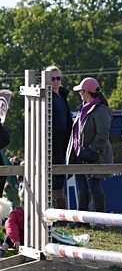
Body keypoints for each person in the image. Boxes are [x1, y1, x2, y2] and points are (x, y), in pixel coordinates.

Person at [66, 77, 114, 213]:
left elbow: (103, 134)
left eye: (80, 91)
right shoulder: (85, 109)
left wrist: (91, 151)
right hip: (81, 155)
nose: (79, 94)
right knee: (83, 189)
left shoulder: (101, 110)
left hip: (94, 155)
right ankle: (83, 220)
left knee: (94, 188)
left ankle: (101, 218)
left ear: (86, 92)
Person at [45, 65, 71, 209]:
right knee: (53, 174)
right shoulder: (45, 96)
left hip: (64, 139)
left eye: (58, 78)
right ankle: (56, 208)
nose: (55, 81)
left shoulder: (62, 95)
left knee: (61, 173)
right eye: (52, 78)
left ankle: (60, 210)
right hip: (51, 139)